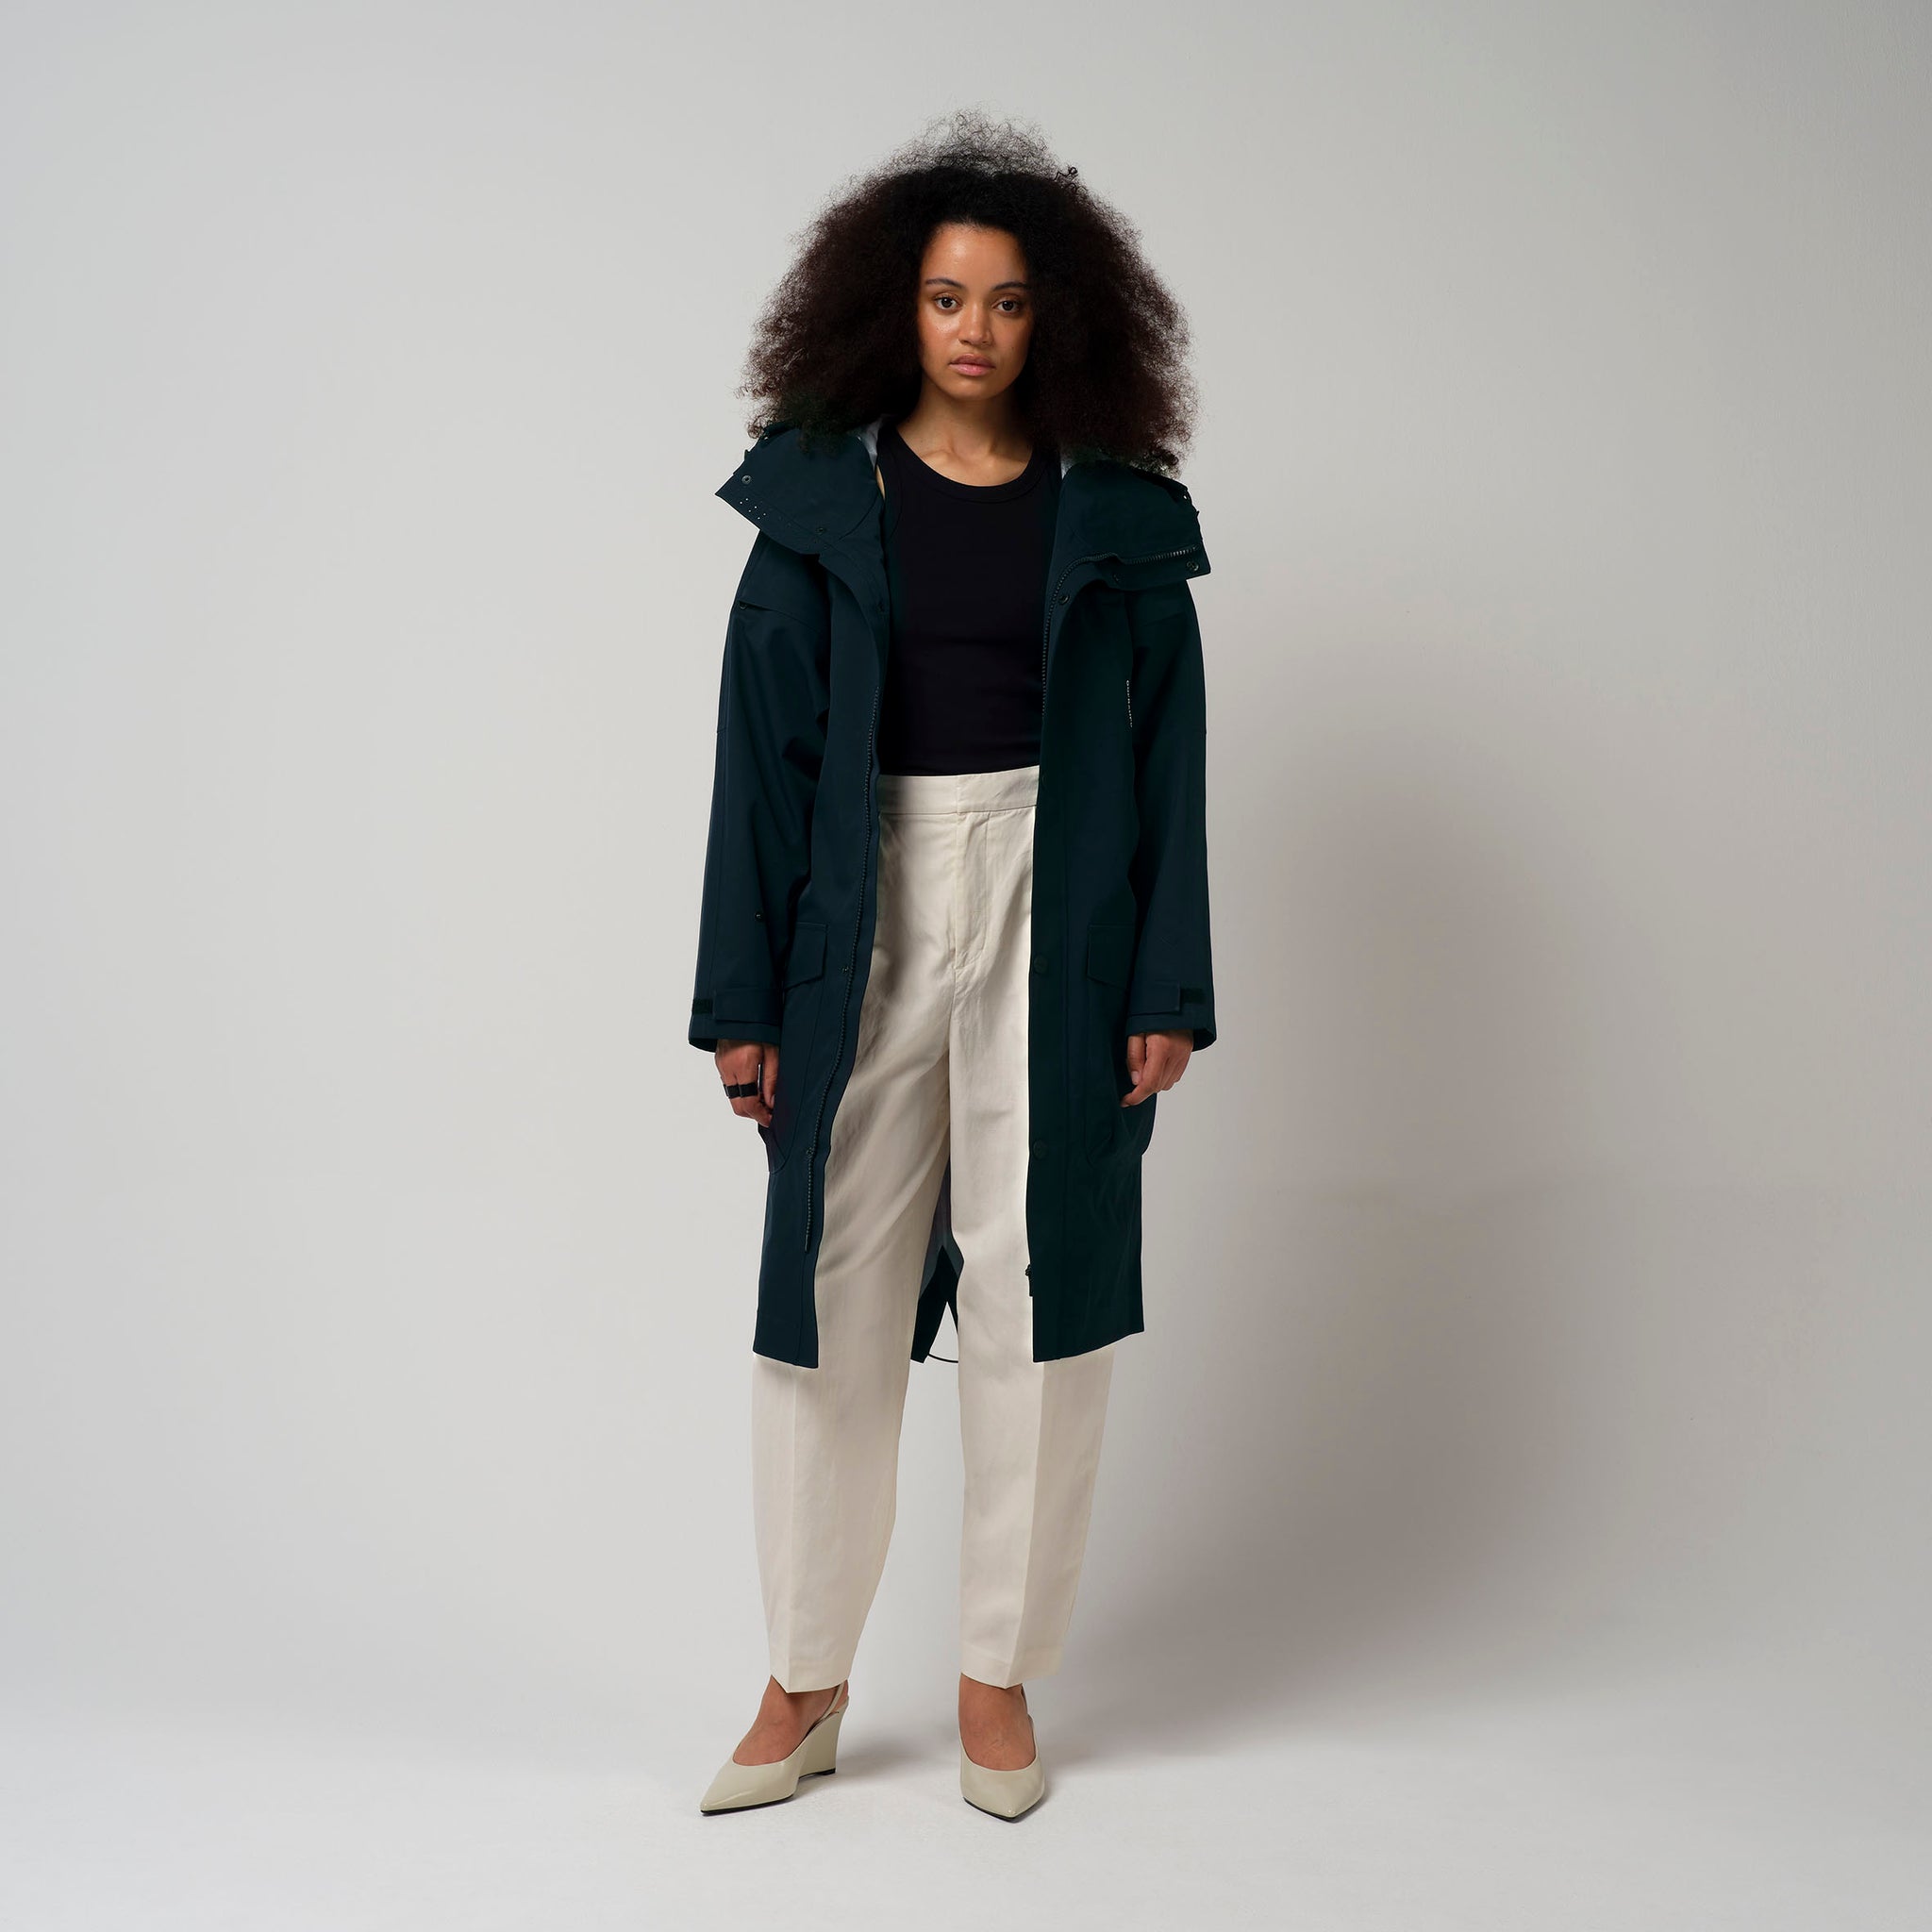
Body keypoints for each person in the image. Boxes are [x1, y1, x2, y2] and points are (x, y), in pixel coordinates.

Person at [689, 111, 1217, 1820]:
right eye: (942, 297)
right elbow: (757, 764)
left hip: (1062, 904)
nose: (973, 330)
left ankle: (997, 1675)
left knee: (1037, 1293)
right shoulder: (817, 507)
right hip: (866, 903)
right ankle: (805, 1680)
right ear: (890, 308)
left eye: (1004, 300)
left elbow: (1175, 758)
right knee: (828, 1298)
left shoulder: (1114, 517)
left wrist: (1165, 986)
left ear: (1058, 317)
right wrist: (741, 1004)